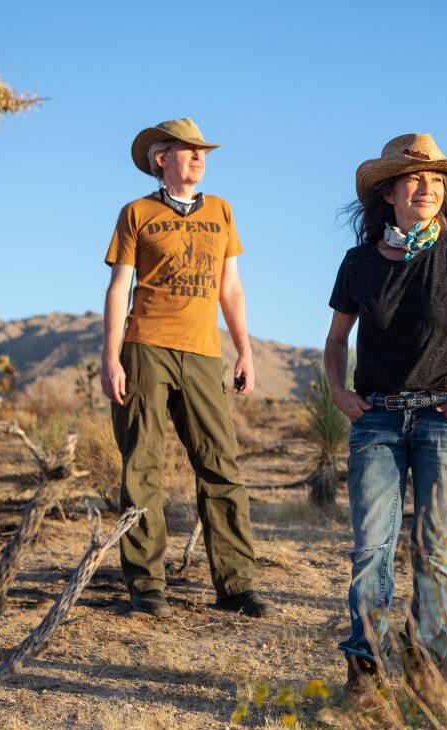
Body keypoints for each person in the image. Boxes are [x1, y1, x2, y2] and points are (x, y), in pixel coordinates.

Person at [321, 133, 447, 711]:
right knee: (372, 547)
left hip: (445, 419)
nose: (427, 189)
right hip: (376, 420)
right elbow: (335, 341)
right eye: (415, 180)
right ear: (391, 192)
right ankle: (366, 672)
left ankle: (427, 663)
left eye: (437, 181)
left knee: (435, 549)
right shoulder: (359, 263)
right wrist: (338, 392)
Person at [100, 118, 272, 618]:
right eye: (187, 150)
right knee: (142, 467)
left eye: (202, 151)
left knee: (221, 466)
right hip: (146, 347)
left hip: (202, 354)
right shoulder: (136, 213)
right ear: (161, 159)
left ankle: (237, 587)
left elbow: (231, 288)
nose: (198, 157)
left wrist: (245, 350)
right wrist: (110, 357)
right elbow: (119, 289)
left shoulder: (221, 211)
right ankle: (146, 586)